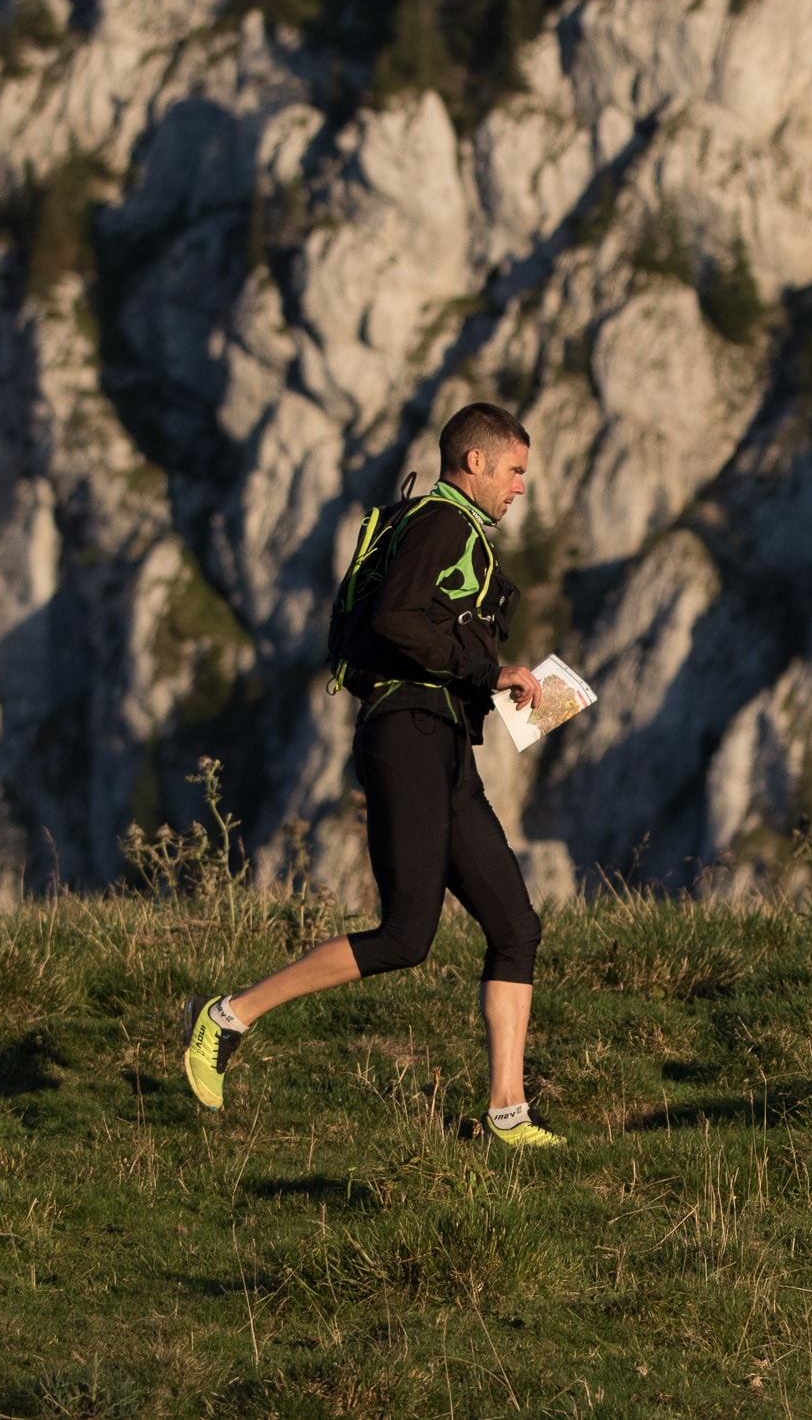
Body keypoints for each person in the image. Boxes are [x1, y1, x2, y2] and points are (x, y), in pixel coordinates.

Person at [182, 402, 565, 1150]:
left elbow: (433, 631)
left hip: (447, 743)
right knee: (404, 936)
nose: (522, 486)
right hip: (409, 736)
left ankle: (508, 1114)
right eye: (515, 470)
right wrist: (487, 667)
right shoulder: (441, 522)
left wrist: (503, 686)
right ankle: (228, 1016)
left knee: (516, 925)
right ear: (476, 462)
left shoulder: (464, 536)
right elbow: (394, 618)